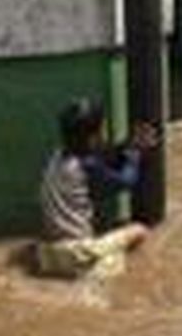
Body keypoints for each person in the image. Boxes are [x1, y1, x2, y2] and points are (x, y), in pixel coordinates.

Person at [34, 98, 158, 279]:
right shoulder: (87, 165)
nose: (104, 134)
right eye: (102, 130)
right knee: (140, 231)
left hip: (47, 254)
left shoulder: (59, 155)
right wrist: (135, 153)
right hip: (77, 254)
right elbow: (126, 181)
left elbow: (102, 156)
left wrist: (128, 144)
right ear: (93, 138)